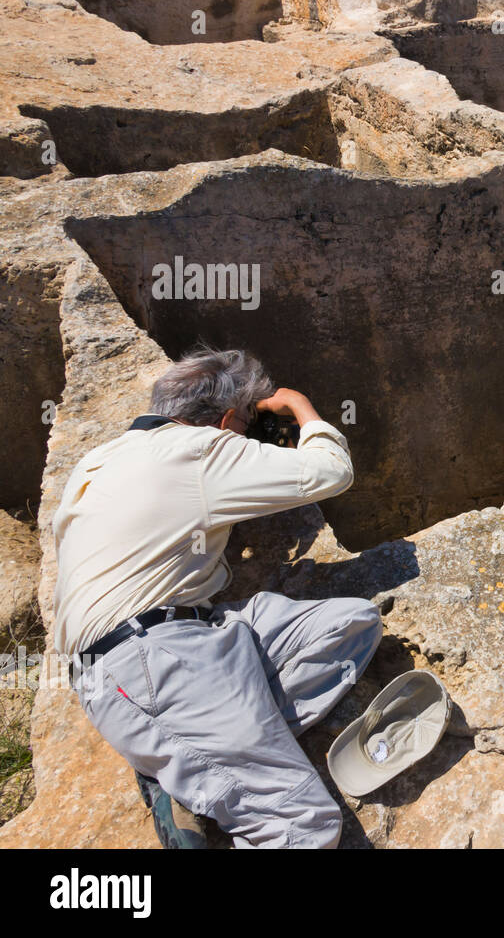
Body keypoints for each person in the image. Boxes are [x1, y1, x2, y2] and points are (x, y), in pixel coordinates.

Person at [51, 347, 381, 848]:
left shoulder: (96, 462)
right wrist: (299, 409)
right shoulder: (200, 449)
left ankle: (194, 769)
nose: (249, 436)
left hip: (182, 638)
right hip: (155, 662)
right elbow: (330, 472)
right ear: (225, 419)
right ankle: (199, 767)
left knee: (349, 625)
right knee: (304, 826)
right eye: (247, 424)